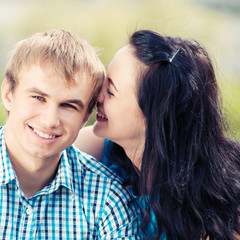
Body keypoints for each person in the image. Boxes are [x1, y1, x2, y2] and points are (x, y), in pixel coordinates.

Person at [75, 30, 240, 240]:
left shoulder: (222, 206)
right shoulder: (98, 149)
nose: (96, 96)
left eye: (111, 91)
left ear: (153, 116)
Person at [0, 29, 142, 239]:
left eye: (68, 106)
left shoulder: (107, 199)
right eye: (38, 97)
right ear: (8, 95)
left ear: (86, 118)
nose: (50, 121)